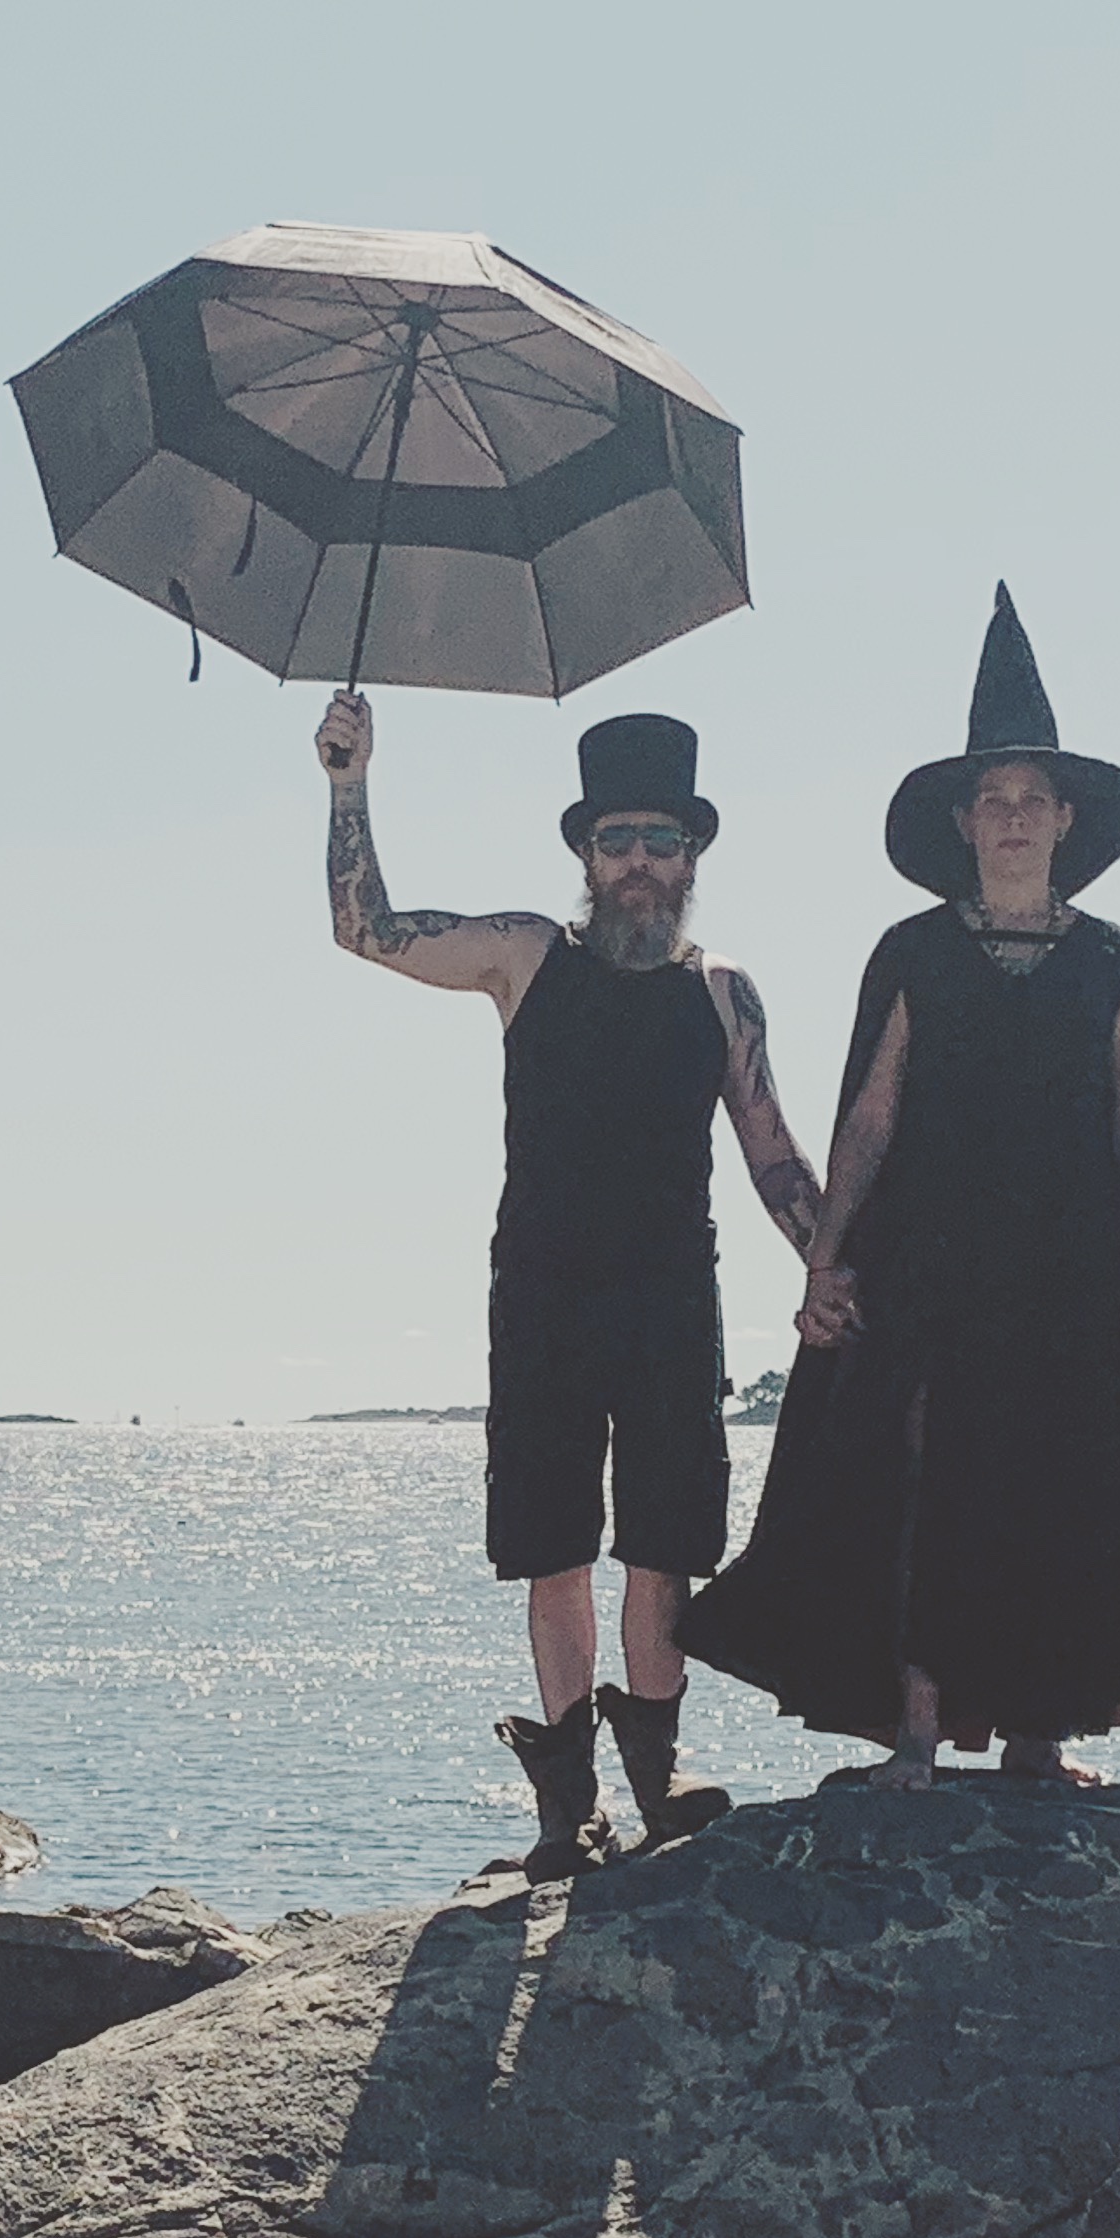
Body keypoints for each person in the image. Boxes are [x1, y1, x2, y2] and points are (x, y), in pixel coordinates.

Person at [677, 586, 1120, 1785]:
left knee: (1056, 1484)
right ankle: (915, 1731)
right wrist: (825, 1258)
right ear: (965, 821)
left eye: (1032, 799)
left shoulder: (1115, 960)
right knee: (921, 1486)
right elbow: (869, 1117)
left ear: (1066, 818)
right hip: (932, 1268)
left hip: (1072, 1272)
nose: (1012, 818)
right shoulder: (913, 952)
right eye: (992, 800)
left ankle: (1039, 1736)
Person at [320, 694, 826, 1877]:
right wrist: (348, 781)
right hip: (544, 1290)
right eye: (618, 840)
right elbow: (366, 930)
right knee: (552, 1545)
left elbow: (772, 1153)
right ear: (587, 856)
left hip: (671, 1294)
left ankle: (658, 1778)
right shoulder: (525, 956)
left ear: (691, 857)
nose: (640, 862)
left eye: (662, 840)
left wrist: (836, 1266)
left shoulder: (722, 993)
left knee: (665, 1543)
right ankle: (568, 1806)